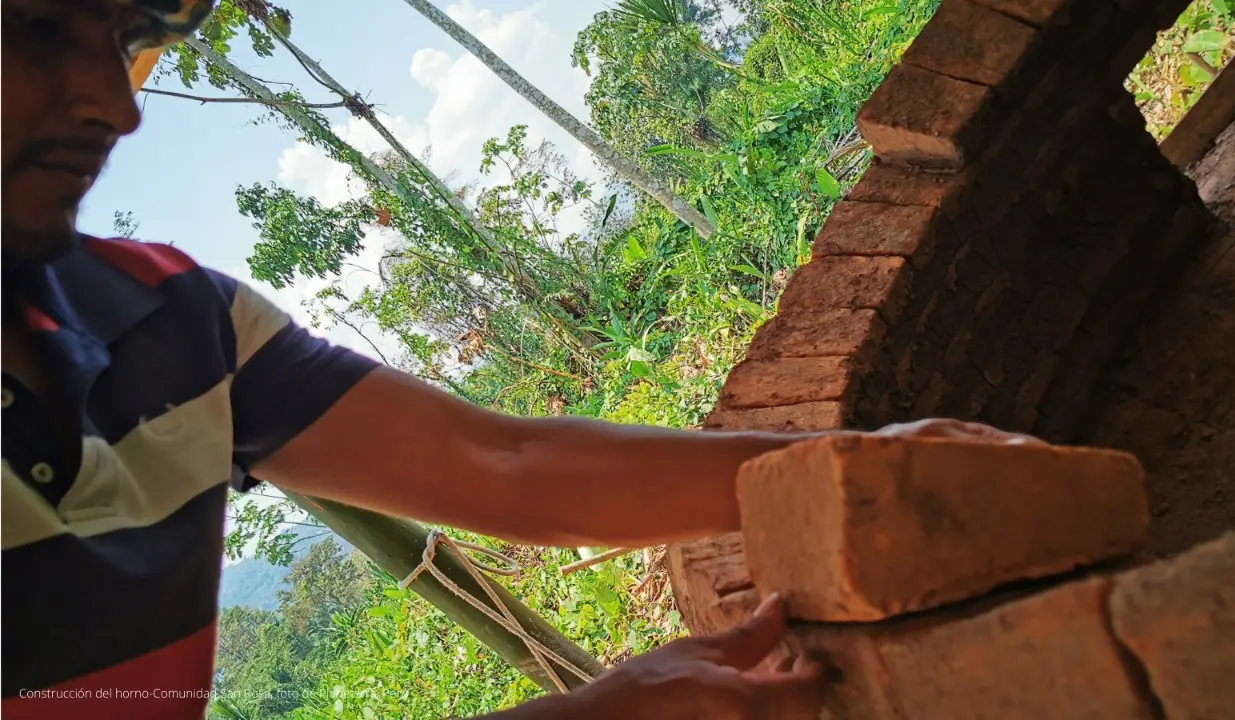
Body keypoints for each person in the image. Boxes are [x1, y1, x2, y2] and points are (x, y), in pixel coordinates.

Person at [0, 1, 1035, 718]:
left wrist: (866, 466)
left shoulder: (170, 316)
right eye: (36, 25)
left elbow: (508, 467)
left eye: (123, 37)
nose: (115, 102)